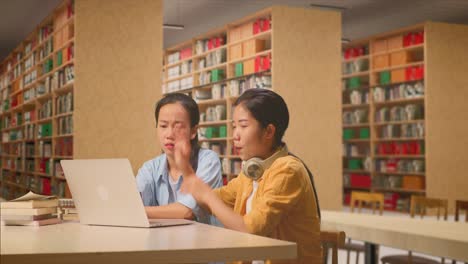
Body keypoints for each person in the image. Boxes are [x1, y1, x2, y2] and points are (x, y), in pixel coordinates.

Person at [176, 89, 322, 263]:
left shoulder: (288, 170)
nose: (235, 135)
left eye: (243, 126)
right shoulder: (253, 171)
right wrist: (188, 173)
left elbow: (249, 229)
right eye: (234, 126)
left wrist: (205, 194)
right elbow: (215, 200)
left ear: (269, 132)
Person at [136, 93, 222, 225]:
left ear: (193, 131)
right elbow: (133, 203)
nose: (169, 134)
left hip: (204, 243)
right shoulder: (150, 168)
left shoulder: (208, 161)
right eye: (163, 126)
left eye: (178, 126)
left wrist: (138, 212)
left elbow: (186, 212)